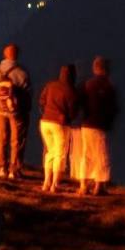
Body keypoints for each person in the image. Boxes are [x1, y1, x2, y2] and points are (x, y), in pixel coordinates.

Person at [0, 43, 32, 179]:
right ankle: (14, 169)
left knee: (1, 138)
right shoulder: (22, 72)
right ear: (16, 55)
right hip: (17, 112)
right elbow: (28, 93)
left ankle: (2, 167)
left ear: (4, 54)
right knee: (16, 140)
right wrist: (25, 109)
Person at [78, 57, 119, 196]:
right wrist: (110, 123)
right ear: (106, 69)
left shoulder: (87, 84)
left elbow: (80, 102)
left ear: (94, 68)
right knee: (101, 155)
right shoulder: (108, 86)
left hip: (86, 124)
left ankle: (83, 185)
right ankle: (99, 187)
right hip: (99, 125)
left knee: (86, 155)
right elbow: (112, 109)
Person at [39, 63, 80, 193]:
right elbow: (73, 112)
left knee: (50, 152)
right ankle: (55, 184)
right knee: (60, 154)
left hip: (45, 122)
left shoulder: (50, 85)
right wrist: (67, 118)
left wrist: (46, 111)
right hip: (59, 124)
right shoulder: (71, 91)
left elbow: (41, 101)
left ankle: (46, 182)